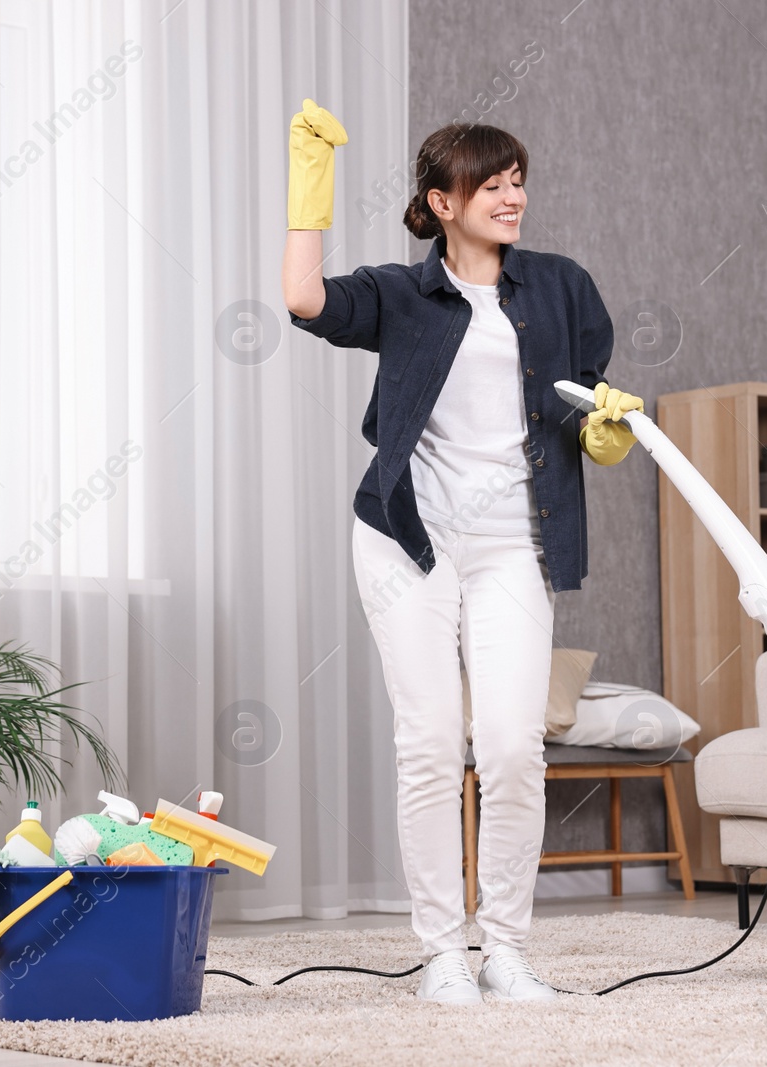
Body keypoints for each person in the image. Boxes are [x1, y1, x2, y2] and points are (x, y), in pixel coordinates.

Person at [281, 99, 642, 1006]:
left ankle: (506, 948)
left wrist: (602, 429)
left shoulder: (562, 286)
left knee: (515, 746)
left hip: (516, 542)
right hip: (409, 537)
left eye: (518, 180)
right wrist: (308, 192)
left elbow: (583, 394)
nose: (512, 196)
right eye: (491, 183)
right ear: (442, 201)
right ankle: (442, 949)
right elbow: (304, 300)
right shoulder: (403, 294)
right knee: (433, 741)